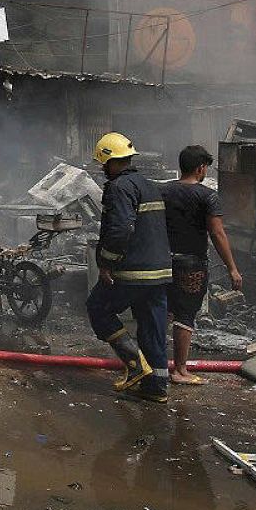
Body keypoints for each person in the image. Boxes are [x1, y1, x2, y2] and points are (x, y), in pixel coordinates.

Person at [85, 132, 173, 403]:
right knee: (151, 326)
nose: (103, 170)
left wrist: (107, 263)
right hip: (159, 270)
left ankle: (134, 365)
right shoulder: (149, 185)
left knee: (98, 307)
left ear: (111, 162)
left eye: (103, 164)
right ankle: (156, 386)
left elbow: (121, 228)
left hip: (132, 270)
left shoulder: (119, 188)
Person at [160, 145, 240, 386]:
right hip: (191, 265)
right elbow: (217, 233)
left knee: (161, 312)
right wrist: (232, 268)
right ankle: (180, 370)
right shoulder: (207, 196)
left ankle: (154, 364)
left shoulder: (162, 191)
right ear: (200, 168)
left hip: (162, 261)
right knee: (185, 316)